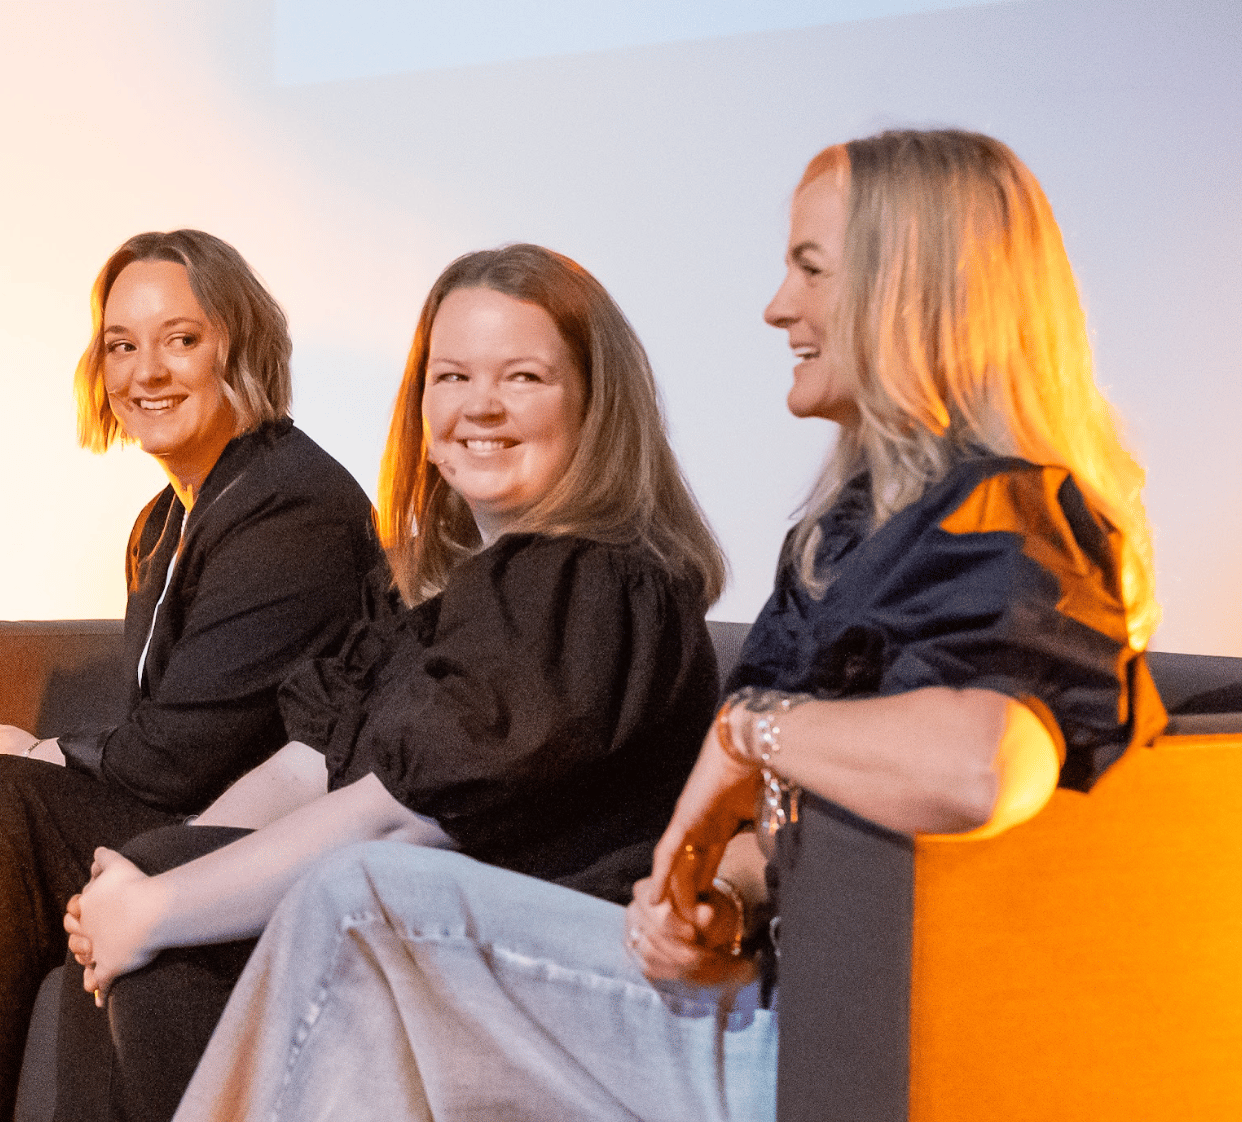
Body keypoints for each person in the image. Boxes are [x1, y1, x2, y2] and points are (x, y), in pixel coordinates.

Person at [169, 128, 1166, 1122]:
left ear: (911, 292)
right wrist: (722, 902)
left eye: (810, 271)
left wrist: (750, 735)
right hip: (768, 992)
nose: (779, 307)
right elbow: (808, 835)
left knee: (358, 899)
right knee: (369, 979)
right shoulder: (852, 532)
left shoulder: (1009, 517)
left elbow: (986, 767)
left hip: (847, 1037)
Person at [57, 243, 727, 1122]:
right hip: (421, 935)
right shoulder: (438, 605)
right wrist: (143, 880)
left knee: (168, 923)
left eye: (522, 377)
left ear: (595, 404)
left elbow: (404, 811)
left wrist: (159, 907)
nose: (479, 405)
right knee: (135, 887)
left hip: (557, 972)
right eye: (451, 377)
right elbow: (309, 765)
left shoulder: (589, 582)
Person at [0, 229, 377, 1116]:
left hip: (261, 833)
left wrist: (39, 749)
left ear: (236, 347)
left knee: (9, 804)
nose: (146, 372)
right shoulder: (159, 522)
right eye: (121, 345)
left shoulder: (294, 502)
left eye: (180, 339)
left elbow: (174, 760)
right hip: (178, 807)